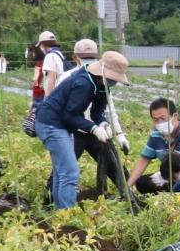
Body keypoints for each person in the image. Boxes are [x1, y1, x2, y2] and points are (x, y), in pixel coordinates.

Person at [38, 50, 129, 209]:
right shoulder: (84, 83)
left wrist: (104, 124)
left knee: (63, 173)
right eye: (112, 78)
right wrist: (93, 128)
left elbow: (96, 113)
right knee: (70, 172)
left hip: (62, 125)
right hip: (51, 124)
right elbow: (70, 115)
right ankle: (67, 215)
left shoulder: (101, 86)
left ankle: (59, 213)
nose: (113, 82)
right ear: (102, 72)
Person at [66, 39, 130, 199]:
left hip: (97, 132)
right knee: (65, 169)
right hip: (74, 132)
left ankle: (129, 197)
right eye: (85, 57)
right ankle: (50, 202)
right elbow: (64, 112)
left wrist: (119, 134)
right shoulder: (69, 78)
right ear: (75, 58)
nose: (88, 61)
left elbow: (110, 110)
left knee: (115, 167)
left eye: (91, 57)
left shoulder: (104, 80)